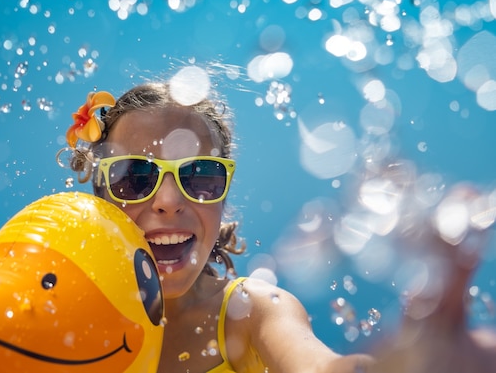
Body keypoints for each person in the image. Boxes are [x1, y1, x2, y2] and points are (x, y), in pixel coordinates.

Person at [60, 82, 374, 372]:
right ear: (102, 197)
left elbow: (312, 363)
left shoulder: (252, 312)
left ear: (222, 196)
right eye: (135, 177)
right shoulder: (73, 322)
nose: (168, 201)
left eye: (200, 176)